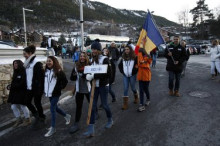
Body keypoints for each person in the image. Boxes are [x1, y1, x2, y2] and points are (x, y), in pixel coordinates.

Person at [83, 40, 113, 137]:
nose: (93, 51)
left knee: (104, 105)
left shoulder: (105, 59)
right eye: (92, 49)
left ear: (99, 50)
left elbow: (108, 74)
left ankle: (110, 119)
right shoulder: (92, 60)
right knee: (92, 106)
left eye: (95, 49)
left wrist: (94, 76)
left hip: (103, 86)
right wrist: (87, 75)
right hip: (94, 87)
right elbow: (89, 71)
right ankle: (91, 130)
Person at [44, 56, 71, 137]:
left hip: (55, 94)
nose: (48, 62)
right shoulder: (45, 71)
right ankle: (66, 115)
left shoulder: (59, 71)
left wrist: (59, 88)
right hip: (49, 93)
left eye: (50, 61)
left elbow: (65, 81)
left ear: (54, 62)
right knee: (55, 107)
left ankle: (53, 128)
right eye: (47, 61)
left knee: (52, 109)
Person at [23, 45, 46, 129]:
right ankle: (37, 116)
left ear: (30, 53)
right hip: (29, 87)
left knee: (37, 103)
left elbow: (41, 77)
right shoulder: (27, 63)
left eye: (25, 54)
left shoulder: (37, 63)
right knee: (27, 102)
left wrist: (40, 88)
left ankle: (42, 118)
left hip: (36, 88)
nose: (24, 55)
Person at [69, 52, 91, 134]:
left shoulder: (89, 65)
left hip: (88, 89)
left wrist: (86, 75)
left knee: (91, 103)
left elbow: (92, 77)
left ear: (86, 57)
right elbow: (72, 78)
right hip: (79, 90)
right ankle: (76, 123)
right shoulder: (76, 66)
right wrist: (74, 75)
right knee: (78, 107)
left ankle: (95, 113)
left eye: (83, 56)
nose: (82, 58)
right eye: (80, 56)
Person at [7, 60, 31, 127]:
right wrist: (10, 86)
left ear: (19, 64)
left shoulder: (24, 72)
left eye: (16, 63)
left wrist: (13, 86)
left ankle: (27, 119)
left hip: (22, 92)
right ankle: (19, 119)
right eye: (14, 63)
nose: (15, 65)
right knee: (13, 106)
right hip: (15, 92)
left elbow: (23, 83)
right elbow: (15, 82)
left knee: (23, 106)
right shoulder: (15, 72)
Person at [118, 45, 139, 110]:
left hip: (132, 75)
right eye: (125, 49)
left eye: (128, 49)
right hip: (125, 76)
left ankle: (136, 96)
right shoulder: (123, 57)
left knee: (133, 88)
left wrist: (134, 72)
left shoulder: (135, 57)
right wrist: (122, 72)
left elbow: (137, 66)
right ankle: (125, 104)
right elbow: (120, 66)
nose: (126, 50)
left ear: (130, 50)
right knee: (125, 88)